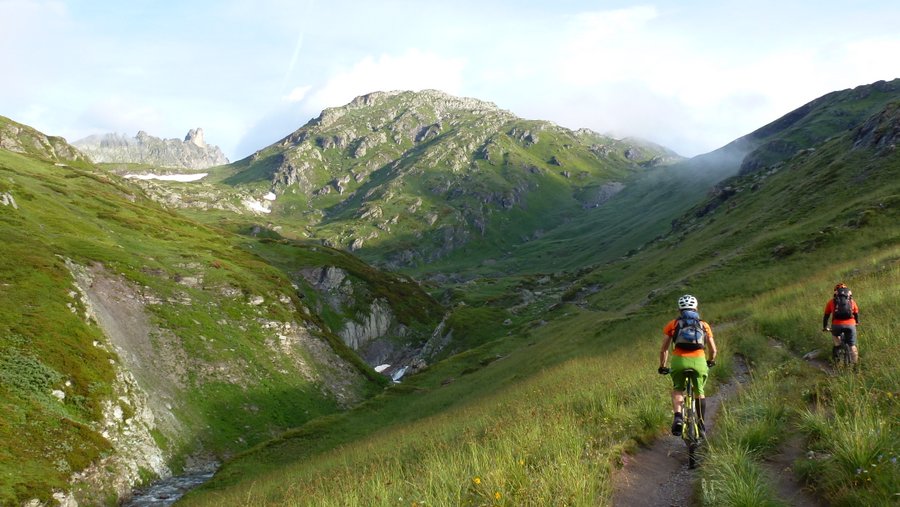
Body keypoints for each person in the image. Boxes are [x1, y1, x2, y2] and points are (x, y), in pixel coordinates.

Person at [658, 294, 717, 436]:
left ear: (679, 309)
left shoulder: (672, 324)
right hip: (699, 361)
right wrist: (710, 361)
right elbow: (713, 350)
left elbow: (664, 349)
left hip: (679, 361)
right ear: (696, 308)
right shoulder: (704, 325)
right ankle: (701, 424)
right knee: (699, 392)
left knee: (678, 389)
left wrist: (662, 366)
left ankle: (678, 418)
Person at [822, 283, 860, 364]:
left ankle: (836, 362)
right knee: (852, 346)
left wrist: (825, 327)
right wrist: (856, 322)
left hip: (836, 325)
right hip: (850, 324)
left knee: (837, 342)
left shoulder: (831, 302)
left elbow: (826, 316)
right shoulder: (852, 301)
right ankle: (855, 366)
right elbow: (856, 313)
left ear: (836, 292)